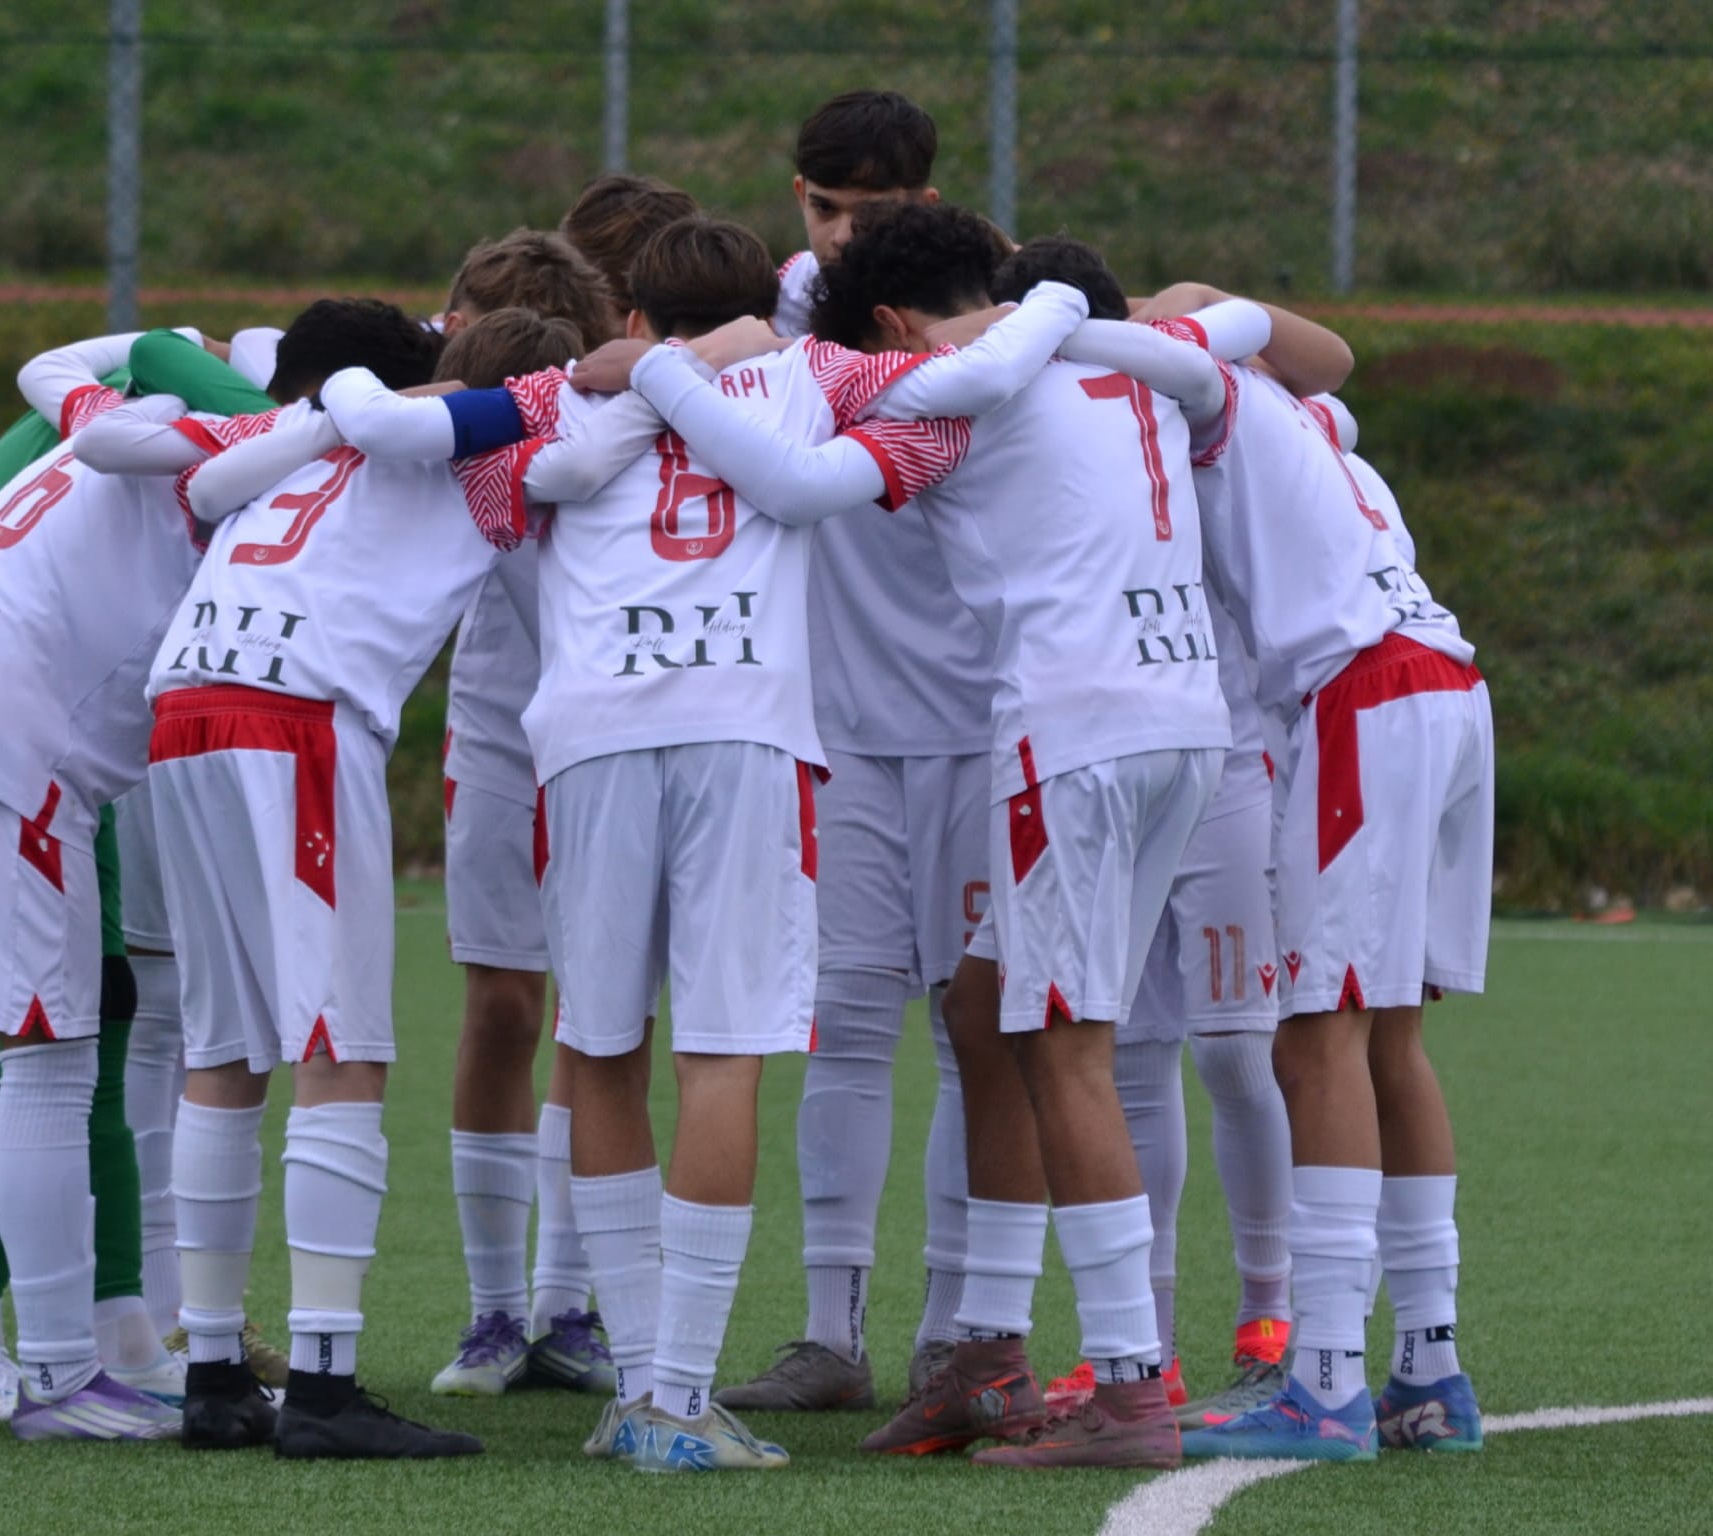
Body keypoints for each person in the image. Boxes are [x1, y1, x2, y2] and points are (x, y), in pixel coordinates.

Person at [615, 213, 1251, 1470]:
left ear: (892, 327)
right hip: (1184, 719)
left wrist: (659, 377)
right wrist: (1067, 314)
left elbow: (795, 486)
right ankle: (986, 1353)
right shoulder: (1137, 364)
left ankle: (1128, 1392)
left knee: (1065, 1047)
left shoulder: (946, 396)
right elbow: (1244, 328)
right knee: (981, 1005)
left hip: (1072, 733)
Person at [550, 213, 1088, 1470]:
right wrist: (1058, 302)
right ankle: (680, 1402)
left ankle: (637, 1387)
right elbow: (961, 379)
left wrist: (611, 375)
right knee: (722, 1056)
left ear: (633, 317)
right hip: (743, 728)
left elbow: (484, 453)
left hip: (584, 729)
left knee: (597, 1050)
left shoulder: (566, 393)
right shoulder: (822, 372)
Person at [129, 304, 670, 1458]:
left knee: (222, 1049)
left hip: (185, 706)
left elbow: (220, 452)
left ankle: (213, 1372)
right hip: (295, 716)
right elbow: (575, 465)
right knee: (341, 1049)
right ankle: (324, 1388)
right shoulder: (487, 450)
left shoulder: (309, 437)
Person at [0, 319, 284, 1441]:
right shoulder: (255, 439)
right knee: (52, 1057)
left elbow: (109, 360)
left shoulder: (132, 396)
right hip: (10, 746)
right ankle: (58, 1376)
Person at [719, 88, 995, 1414]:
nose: (844, 233)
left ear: (923, 207)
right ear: (799, 200)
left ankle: (952, 1334)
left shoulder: (981, 304)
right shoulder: (781, 307)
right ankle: (831, 1335)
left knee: (969, 1032)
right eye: (826, 207)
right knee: (840, 1025)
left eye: (871, 211)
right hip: (838, 725)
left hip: (981, 721)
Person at [1173, 360, 1491, 1461]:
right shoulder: (1318, 425)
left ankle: (1323, 1380)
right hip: (1444, 684)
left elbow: (1191, 321)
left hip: (1365, 695)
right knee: (1389, 1037)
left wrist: (1057, 323)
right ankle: (1429, 1370)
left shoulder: (1216, 399)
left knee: (1315, 1042)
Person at [421, 227, 626, 1397]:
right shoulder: (449, 410)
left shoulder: (618, 415)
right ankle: (493, 1312)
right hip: (500, 722)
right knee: (502, 1002)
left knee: (600, 1013)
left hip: (613, 731)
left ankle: (566, 1304)